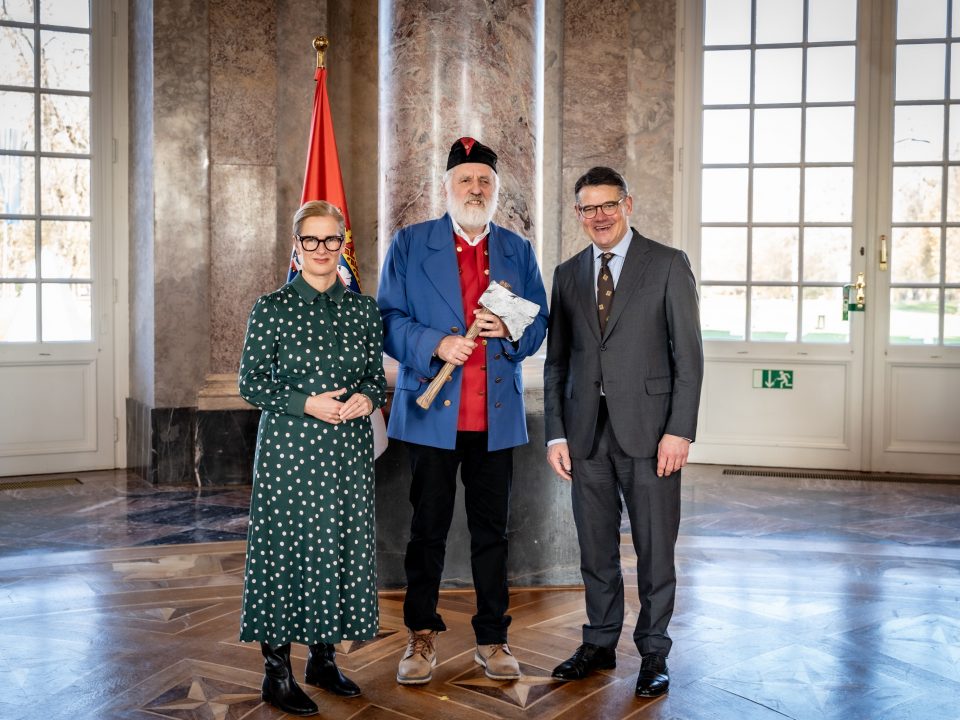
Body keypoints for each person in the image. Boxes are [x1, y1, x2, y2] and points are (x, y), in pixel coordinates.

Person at [377, 137, 548, 685]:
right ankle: (421, 636)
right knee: (426, 529)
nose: (475, 190)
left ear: (496, 190)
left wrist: (513, 328)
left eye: (485, 182)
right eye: (466, 180)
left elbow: (540, 321)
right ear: (446, 186)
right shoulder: (409, 243)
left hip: (495, 416)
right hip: (431, 413)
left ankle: (493, 638)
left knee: (491, 533)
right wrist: (434, 343)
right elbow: (386, 318)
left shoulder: (517, 250)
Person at [543, 166, 704, 698]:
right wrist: (556, 434)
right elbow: (557, 364)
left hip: (653, 433)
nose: (599, 217)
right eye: (588, 208)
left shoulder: (667, 264)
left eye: (608, 205)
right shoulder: (567, 274)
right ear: (578, 214)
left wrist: (679, 431)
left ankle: (654, 650)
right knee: (595, 547)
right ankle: (599, 641)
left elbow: (689, 358)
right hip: (586, 433)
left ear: (628, 205)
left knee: (656, 548)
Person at [238, 200, 387, 716]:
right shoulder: (271, 308)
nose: (321, 250)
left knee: (337, 548)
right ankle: (275, 674)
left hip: (346, 453)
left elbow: (373, 376)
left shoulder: (363, 309)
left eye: (331, 241)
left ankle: (322, 659)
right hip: (290, 453)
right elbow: (250, 383)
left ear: (342, 244)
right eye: (311, 240)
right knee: (286, 553)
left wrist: (370, 397)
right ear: (295, 248)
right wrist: (307, 403)